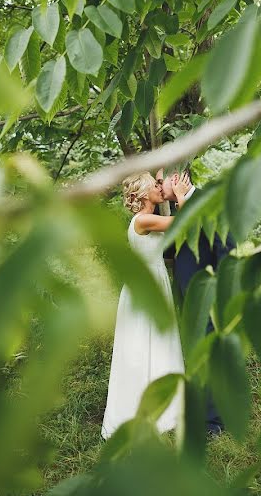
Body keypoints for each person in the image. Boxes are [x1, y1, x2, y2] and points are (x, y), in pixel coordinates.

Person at [100, 171, 193, 440]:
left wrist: (165, 178)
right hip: (147, 289)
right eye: (154, 185)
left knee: (155, 344)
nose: (158, 187)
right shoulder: (144, 220)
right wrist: (179, 196)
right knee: (142, 347)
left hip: (151, 284)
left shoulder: (144, 219)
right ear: (142, 194)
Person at [157, 166, 236, 436]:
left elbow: (227, 249)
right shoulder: (178, 210)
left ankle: (213, 422)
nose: (158, 184)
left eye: (161, 179)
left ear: (176, 177)